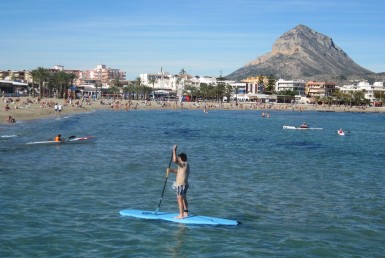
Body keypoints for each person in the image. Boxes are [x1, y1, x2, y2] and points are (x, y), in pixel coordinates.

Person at [167, 144, 190, 219]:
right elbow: (179, 171)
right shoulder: (186, 165)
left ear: (181, 158)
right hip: (185, 184)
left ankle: (181, 215)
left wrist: (174, 151)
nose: (178, 159)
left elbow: (174, 160)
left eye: (179, 158)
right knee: (183, 198)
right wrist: (171, 170)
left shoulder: (182, 164)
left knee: (179, 199)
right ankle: (186, 213)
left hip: (181, 185)